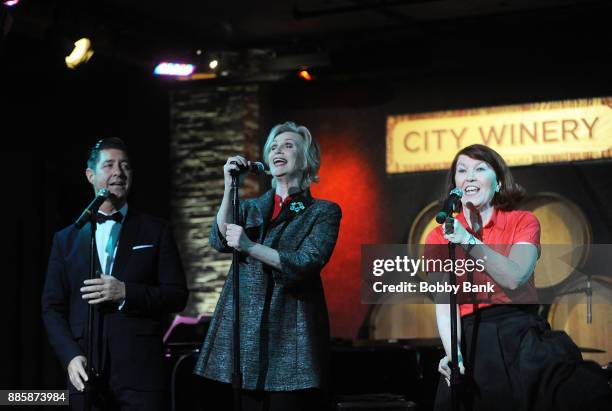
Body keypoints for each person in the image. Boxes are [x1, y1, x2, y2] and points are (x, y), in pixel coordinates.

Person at [425, 144, 612, 411]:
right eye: (462, 170)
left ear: (498, 182)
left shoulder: (523, 221)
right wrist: (453, 353)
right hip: (471, 337)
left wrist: (467, 241)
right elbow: (445, 305)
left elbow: (514, 277)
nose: (469, 176)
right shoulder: (438, 236)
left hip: (518, 331)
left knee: (584, 394)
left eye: (480, 169)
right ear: (455, 184)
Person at [194, 121, 342, 411]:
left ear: (306, 160)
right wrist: (228, 186)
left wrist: (250, 247)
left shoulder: (322, 212)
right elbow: (219, 239)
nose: (278, 150)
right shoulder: (250, 207)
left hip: (291, 337)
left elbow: (304, 262)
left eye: (288, 145)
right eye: (273, 146)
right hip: (248, 337)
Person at [42, 138, 189, 410]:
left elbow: (176, 294)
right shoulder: (67, 238)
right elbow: (52, 307)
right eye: (109, 165)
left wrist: (126, 293)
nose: (118, 172)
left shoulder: (155, 230)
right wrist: (71, 356)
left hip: (141, 374)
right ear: (90, 175)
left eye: (125, 166)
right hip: (85, 375)